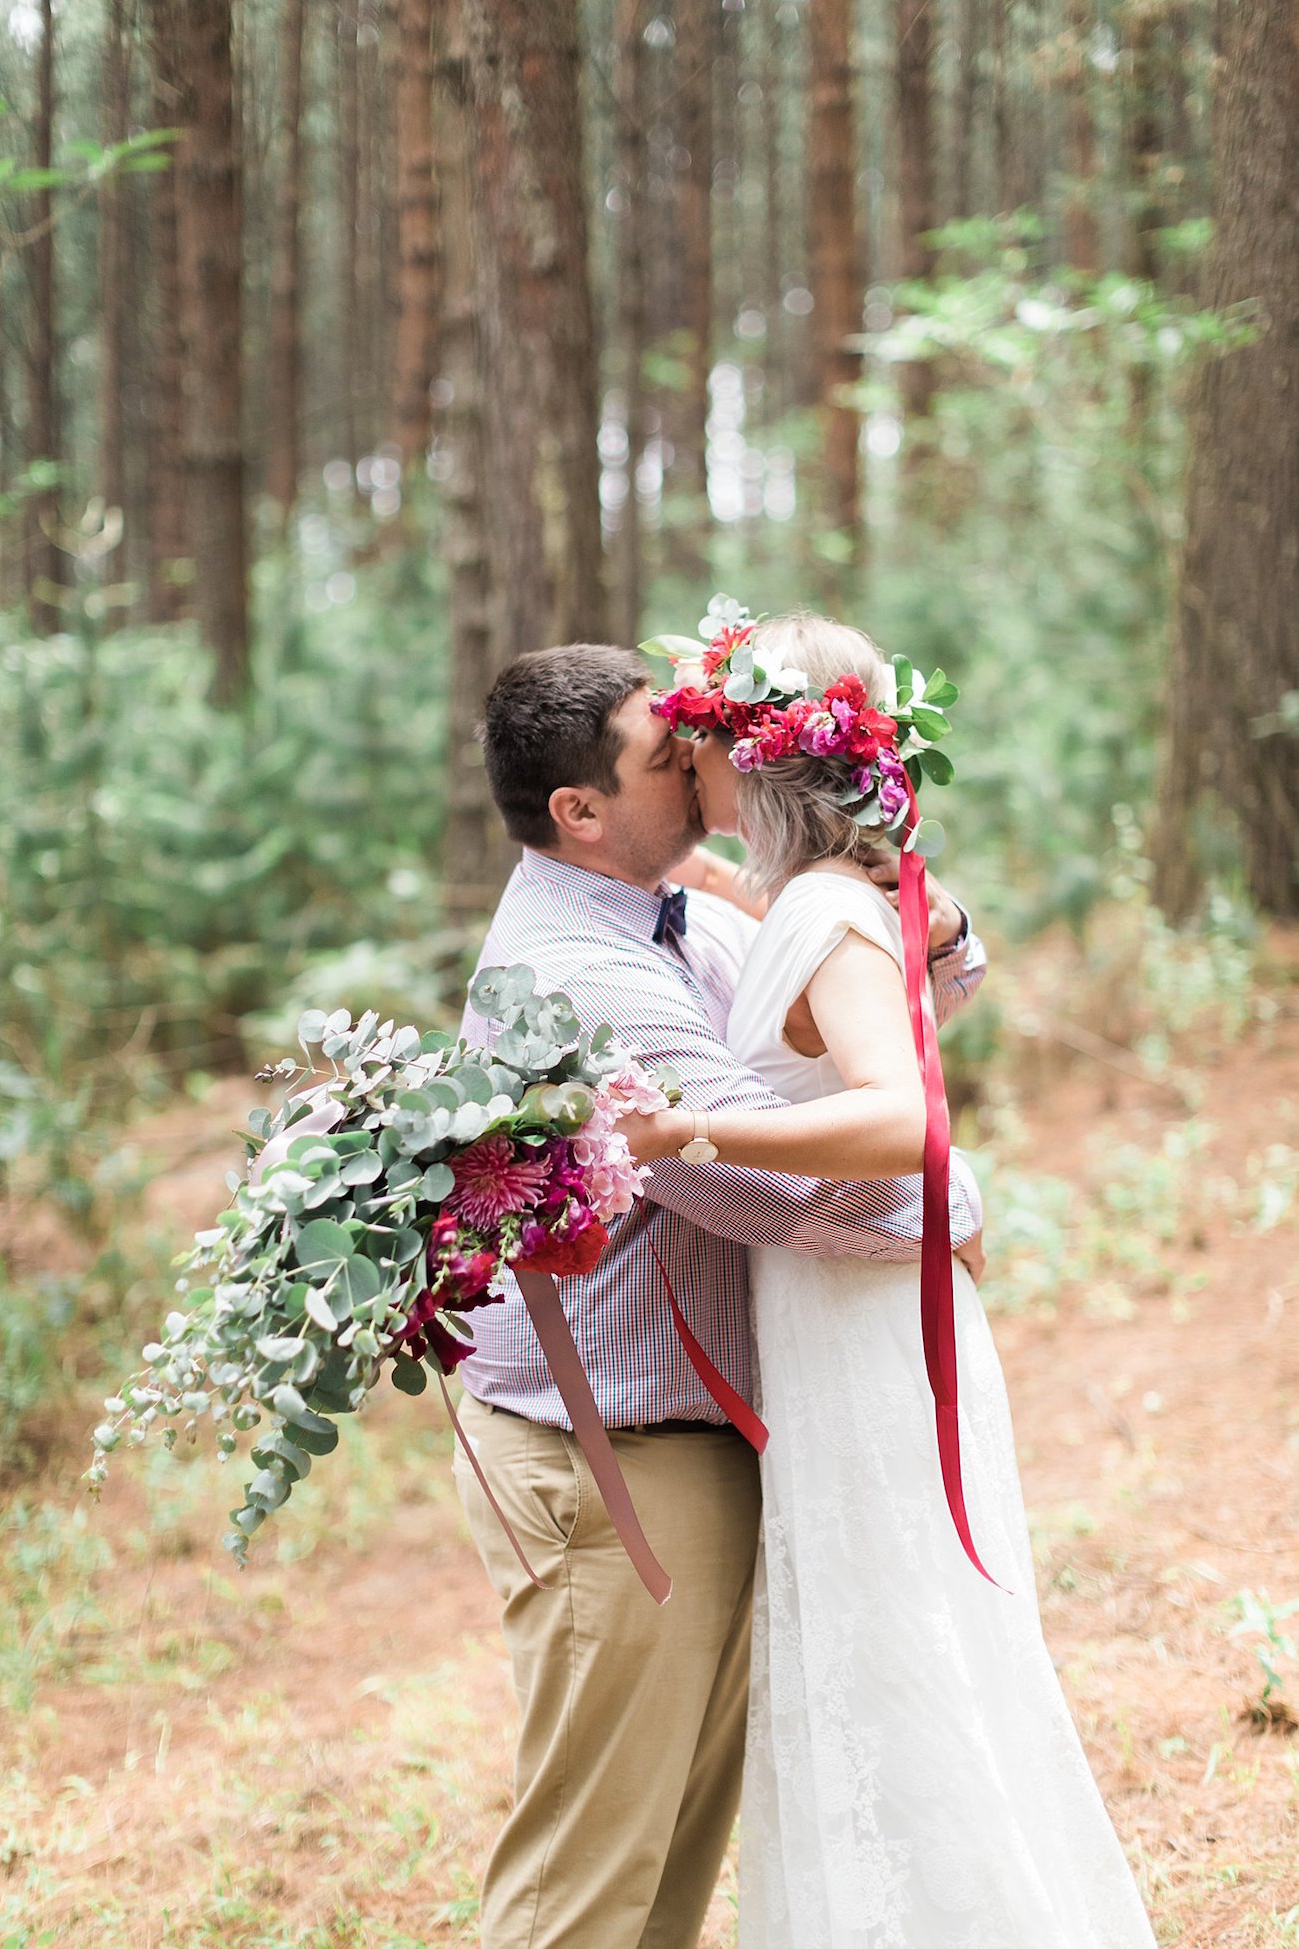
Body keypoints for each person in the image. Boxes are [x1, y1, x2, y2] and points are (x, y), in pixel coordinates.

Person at [620, 612, 1157, 1949]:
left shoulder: (821, 911)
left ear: (761, 762)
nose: (691, 769)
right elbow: (881, 944)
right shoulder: (819, 899)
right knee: (872, 1630)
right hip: (834, 1318)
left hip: (868, 1334)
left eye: (706, 748)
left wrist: (689, 1129)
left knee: (900, 1627)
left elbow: (896, 1115)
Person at [451, 641, 988, 1949]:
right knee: (588, 1883)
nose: (702, 766)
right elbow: (780, 1187)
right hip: (614, 1456)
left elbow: (854, 1024)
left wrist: (938, 926)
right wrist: (957, 1213)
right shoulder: (588, 977)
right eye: (662, 754)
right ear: (578, 810)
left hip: (689, 1428)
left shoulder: (670, 903)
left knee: (671, 1864)